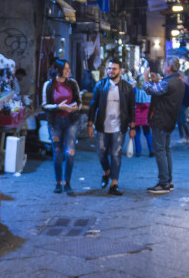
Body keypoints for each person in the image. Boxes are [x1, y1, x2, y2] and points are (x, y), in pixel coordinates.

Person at [86, 58, 135, 196]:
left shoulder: (127, 87)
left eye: (114, 68)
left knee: (116, 154)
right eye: (109, 68)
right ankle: (106, 171)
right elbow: (93, 105)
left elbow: (132, 108)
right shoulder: (100, 85)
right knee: (101, 153)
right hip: (102, 125)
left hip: (119, 127)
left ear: (120, 70)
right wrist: (90, 124)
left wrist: (132, 127)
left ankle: (114, 183)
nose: (111, 71)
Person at [141, 56, 187, 194]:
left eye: (165, 64)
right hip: (169, 120)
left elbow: (152, 90)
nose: (163, 65)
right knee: (166, 150)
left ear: (169, 67)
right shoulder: (178, 81)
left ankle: (163, 183)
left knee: (160, 150)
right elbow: (162, 89)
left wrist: (146, 79)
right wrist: (157, 81)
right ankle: (169, 181)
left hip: (161, 119)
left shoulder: (169, 83)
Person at [41, 60, 82, 195]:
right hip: (55, 123)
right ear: (58, 69)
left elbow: (79, 102)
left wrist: (75, 107)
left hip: (71, 122)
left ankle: (67, 181)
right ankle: (58, 182)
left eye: (68, 68)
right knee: (57, 152)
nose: (67, 71)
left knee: (70, 152)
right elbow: (44, 105)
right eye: (65, 69)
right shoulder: (48, 85)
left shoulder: (73, 83)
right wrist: (59, 107)